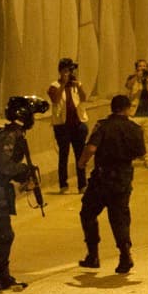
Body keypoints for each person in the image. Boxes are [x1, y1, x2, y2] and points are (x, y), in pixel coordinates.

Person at [0, 95, 47, 293]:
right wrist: (23, 170)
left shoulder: (15, 134)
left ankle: (3, 275)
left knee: (6, 234)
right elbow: (2, 164)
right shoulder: (8, 136)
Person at [76, 95, 146, 274]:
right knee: (119, 218)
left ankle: (93, 255)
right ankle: (125, 255)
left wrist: (81, 163)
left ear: (112, 108)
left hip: (102, 178)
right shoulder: (134, 128)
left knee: (88, 212)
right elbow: (140, 153)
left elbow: (91, 148)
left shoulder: (103, 126)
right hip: (123, 178)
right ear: (128, 108)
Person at [47, 57, 89, 194]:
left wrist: (79, 86)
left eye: (70, 71)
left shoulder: (76, 84)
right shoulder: (54, 86)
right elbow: (55, 99)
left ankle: (82, 184)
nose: (69, 74)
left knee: (80, 155)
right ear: (60, 71)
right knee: (63, 155)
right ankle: (63, 184)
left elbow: (84, 98)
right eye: (66, 71)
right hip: (62, 126)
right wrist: (63, 84)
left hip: (78, 124)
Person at [126, 59, 148, 169]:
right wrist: (137, 77)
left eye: (144, 66)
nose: (142, 68)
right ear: (136, 68)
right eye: (140, 66)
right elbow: (128, 86)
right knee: (132, 138)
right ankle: (130, 158)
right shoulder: (132, 78)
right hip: (134, 114)